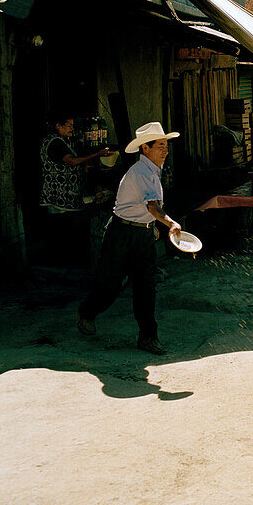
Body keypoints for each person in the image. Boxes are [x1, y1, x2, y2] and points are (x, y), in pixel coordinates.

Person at [77, 122, 181, 355]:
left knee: (146, 286)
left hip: (141, 232)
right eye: (161, 145)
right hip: (122, 234)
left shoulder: (154, 169)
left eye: (166, 145)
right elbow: (153, 206)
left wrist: (153, 227)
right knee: (111, 284)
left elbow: (150, 210)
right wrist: (171, 224)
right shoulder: (140, 172)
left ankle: (148, 337)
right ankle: (87, 312)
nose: (165, 150)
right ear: (146, 148)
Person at [40, 114, 111, 262]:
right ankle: (64, 260)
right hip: (59, 194)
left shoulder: (63, 142)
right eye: (68, 125)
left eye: (73, 125)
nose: (72, 128)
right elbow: (71, 161)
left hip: (66, 193)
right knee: (63, 229)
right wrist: (97, 154)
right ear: (58, 126)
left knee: (66, 228)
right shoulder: (55, 143)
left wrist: (84, 167)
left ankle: (66, 258)